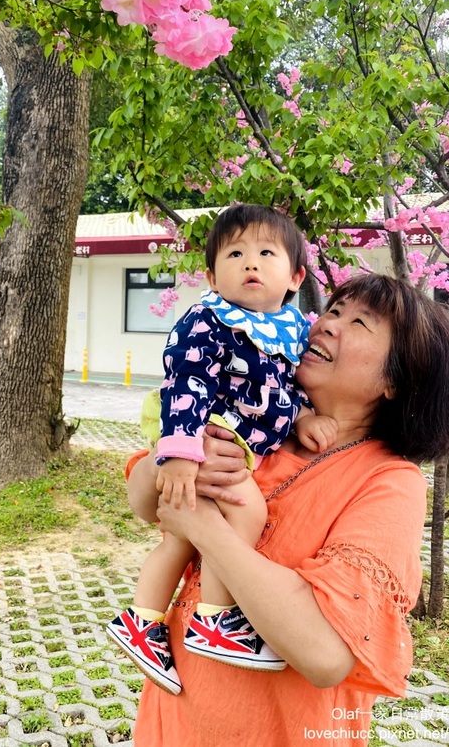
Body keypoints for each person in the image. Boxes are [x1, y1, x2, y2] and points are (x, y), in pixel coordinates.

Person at [124, 273, 449, 747]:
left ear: (394, 381)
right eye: (333, 310)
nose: (328, 324)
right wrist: (175, 464)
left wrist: (200, 522)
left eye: (360, 323)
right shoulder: (261, 428)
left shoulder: (387, 482)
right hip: (170, 725)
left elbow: (325, 653)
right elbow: (145, 503)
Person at [107, 205, 336, 693]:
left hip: (231, 442)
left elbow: (280, 389)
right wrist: (181, 450)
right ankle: (215, 619)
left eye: (266, 253)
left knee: (181, 538)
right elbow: (185, 381)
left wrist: (304, 415)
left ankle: (142, 621)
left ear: (295, 276)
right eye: (235, 254)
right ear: (211, 276)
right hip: (202, 431)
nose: (250, 263)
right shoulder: (210, 320)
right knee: (244, 511)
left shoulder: (289, 329)